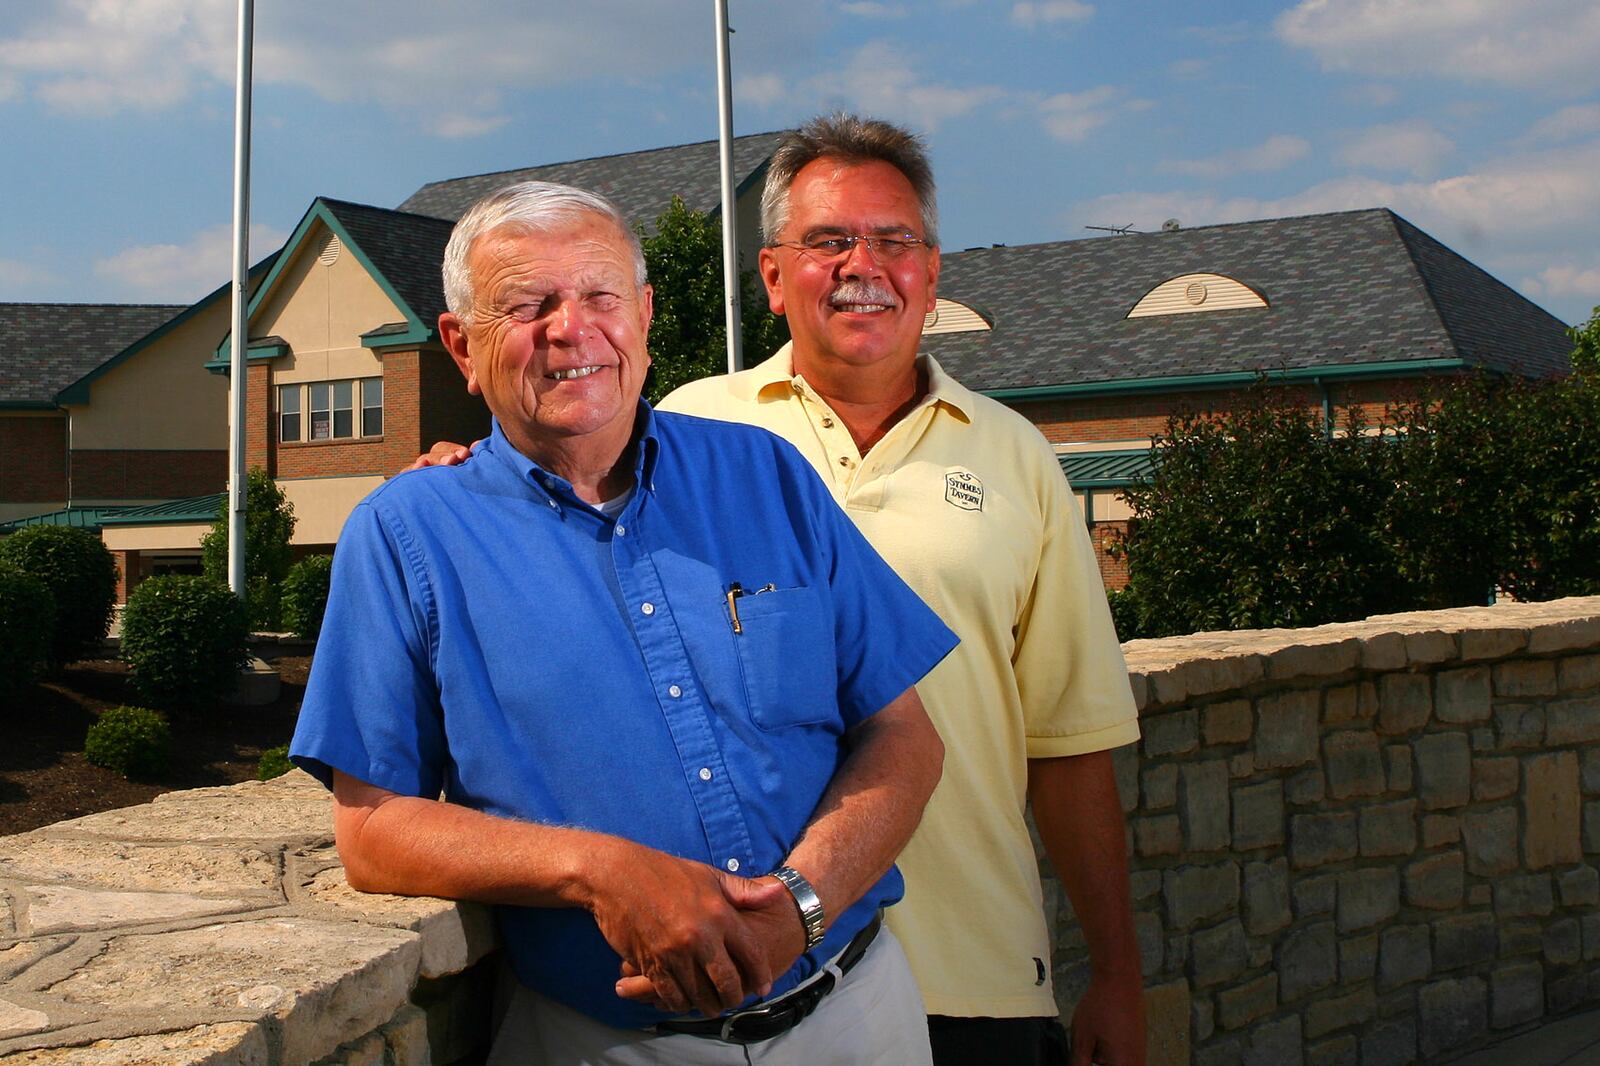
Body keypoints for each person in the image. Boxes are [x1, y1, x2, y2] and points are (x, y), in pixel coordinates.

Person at [414, 117, 1146, 1066]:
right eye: (828, 241)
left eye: (894, 241)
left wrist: (1119, 976)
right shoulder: (684, 426)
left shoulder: (1021, 460)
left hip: (976, 971)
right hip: (728, 976)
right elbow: (549, 483)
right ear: (769, 277)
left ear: (932, 269)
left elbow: (1068, 743)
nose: (862, 266)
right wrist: (461, 477)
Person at [292, 180, 959, 1065]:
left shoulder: (766, 475)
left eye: (601, 296)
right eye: (529, 304)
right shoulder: (407, 534)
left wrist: (800, 907)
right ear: (461, 345)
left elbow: (904, 737)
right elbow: (372, 830)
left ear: (643, 316)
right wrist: (603, 871)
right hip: (603, 1044)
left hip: (857, 1016)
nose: (574, 329)